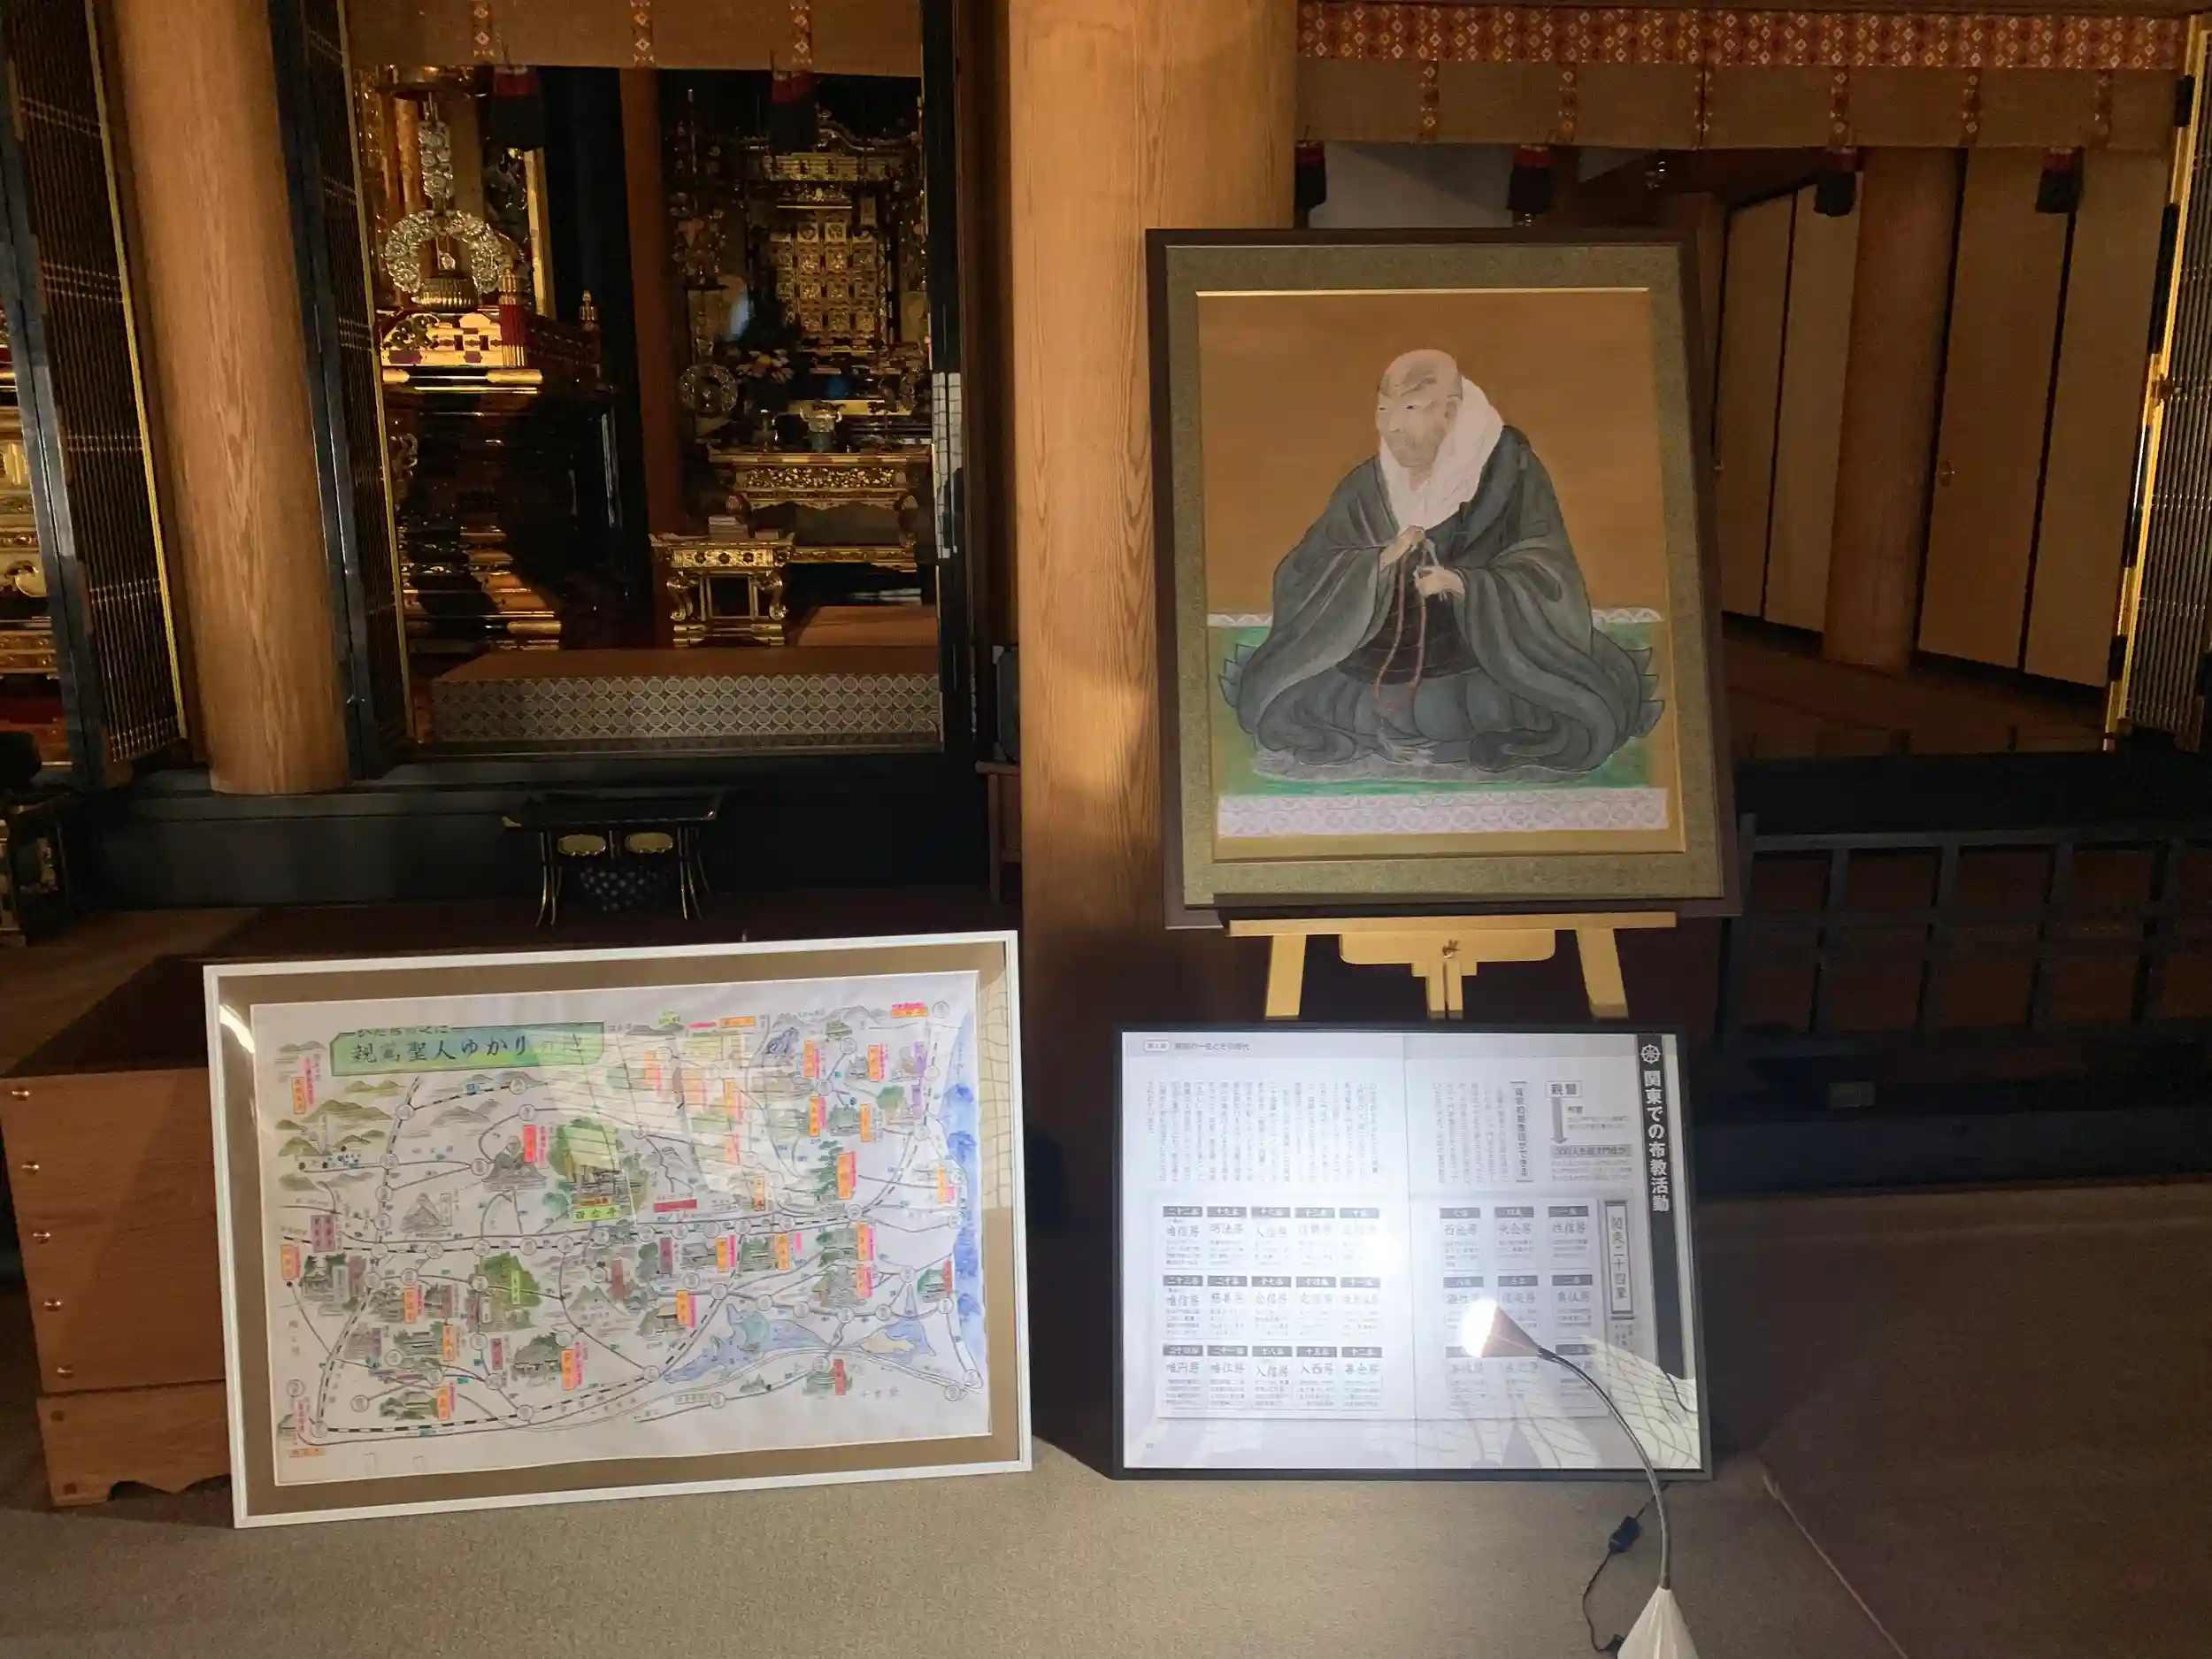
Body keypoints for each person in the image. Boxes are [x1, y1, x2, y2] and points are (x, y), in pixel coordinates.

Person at [1228, 348, 1660, 773]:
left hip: (1476, 661)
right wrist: (1377, 564)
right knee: (1294, 706)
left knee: (1530, 715)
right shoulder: (1368, 483)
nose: (1393, 427)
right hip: (1377, 663)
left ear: (1450, 412)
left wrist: (1464, 584)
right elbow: (1305, 569)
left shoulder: (1508, 471)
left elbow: (1546, 569)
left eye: (1411, 409)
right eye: (1383, 410)